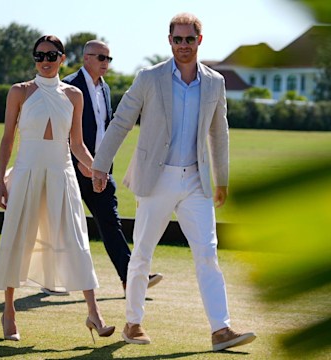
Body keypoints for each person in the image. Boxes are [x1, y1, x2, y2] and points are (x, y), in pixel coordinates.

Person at [91, 13, 256, 351]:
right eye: (178, 39)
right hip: (156, 178)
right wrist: (100, 166)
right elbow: (121, 121)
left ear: (200, 40)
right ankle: (133, 323)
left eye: (189, 39)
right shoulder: (149, 78)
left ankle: (220, 330)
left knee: (208, 254)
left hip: (196, 181)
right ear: (170, 41)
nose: (184, 45)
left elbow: (219, 133)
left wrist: (221, 180)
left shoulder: (215, 82)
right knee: (142, 255)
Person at [0, 35, 115, 343]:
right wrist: (0, 180)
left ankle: (94, 314)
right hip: (27, 172)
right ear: (35, 58)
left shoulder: (73, 95)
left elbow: (77, 144)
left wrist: (96, 170)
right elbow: (8, 138)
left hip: (62, 174)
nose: (45, 61)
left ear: (62, 58)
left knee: (76, 239)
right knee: (17, 237)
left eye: (51, 55)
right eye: (39, 55)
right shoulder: (19, 91)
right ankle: (9, 312)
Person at [39, 40, 162, 297]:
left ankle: (130, 279)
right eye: (101, 58)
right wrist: (82, 163)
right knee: (63, 223)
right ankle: (51, 279)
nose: (106, 63)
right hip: (70, 167)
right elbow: (59, 132)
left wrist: (99, 165)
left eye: (109, 59)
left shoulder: (104, 88)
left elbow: (106, 129)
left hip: (99, 169)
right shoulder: (69, 86)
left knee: (110, 220)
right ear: (86, 58)